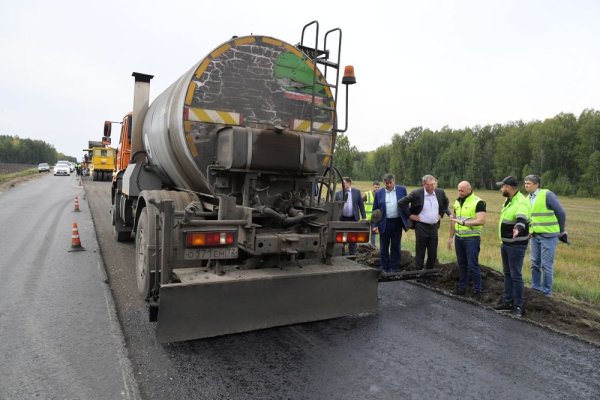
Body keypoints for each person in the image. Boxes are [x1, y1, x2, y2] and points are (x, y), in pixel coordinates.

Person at [524, 174, 567, 296]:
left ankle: (547, 293)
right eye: (525, 183)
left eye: (529, 183)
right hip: (534, 236)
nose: (526, 185)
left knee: (546, 266)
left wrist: (562, 230)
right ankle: (535, 289)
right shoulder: (527, 199)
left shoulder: (547, 194)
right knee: (534, 264)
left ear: (536, 184)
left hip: (548, 236)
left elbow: (561, 212)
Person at [495, 176, 531, 317]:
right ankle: (508, 302)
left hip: (516, 245)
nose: (501, 189)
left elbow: (522, 219)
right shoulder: (508, 200)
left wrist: (518, 227)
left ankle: (518, 307)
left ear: (509, 187)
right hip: (506, 243)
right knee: (508, 274)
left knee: (515, 275)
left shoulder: (521, 202)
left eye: (502, 186)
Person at [398, 175, 449, 273]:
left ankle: (428, 274)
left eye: (434, 184)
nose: (433, 187)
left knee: (433, 253)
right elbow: (401, 203)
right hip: (421, 227)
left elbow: (446, 203)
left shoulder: (440, 192)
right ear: (424, 184)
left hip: (434, 227)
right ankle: (418, 273)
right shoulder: (416, 193)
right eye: (431, 185)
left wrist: (441, 214)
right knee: (420, 252)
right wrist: (410, 215)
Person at [448, 181, 486, 298]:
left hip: (471, 239)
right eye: (458, 190)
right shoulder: (457, 201)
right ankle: (462, 287)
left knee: (473, 265)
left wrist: (464, 223)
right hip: (459, 238)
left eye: (462, 190)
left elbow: (481, 220)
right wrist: (451, 237)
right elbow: (454, 220)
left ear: (470, 189)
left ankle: (477, 291)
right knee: (462, 264)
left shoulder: (478, 202)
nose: (460, 192)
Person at [372, 174, 408, 273]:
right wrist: (375, 225)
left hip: (397, 222)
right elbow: (375, 210)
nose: (388, 185)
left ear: (394, 181)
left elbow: (406, 206)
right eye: (386, 183)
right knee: (384, 246)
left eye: (390, 183)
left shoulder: (402, 190)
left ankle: (394, 268)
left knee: (396, 246)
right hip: (384, 223)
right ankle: (384, 268)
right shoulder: (379, 193)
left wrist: (408, 219)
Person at [334, 177, 366, 255]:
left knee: (353, 237)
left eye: (344, 183)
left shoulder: (357, 192)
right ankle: (342, 254)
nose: (343, 185)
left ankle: (352, 254)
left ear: (349, 183)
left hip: (353, 219)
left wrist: (364, 217)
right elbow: (335, 207)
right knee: (342, 237)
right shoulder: (338, 194)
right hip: (342, 219)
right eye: (342, 183)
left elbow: (361, 205)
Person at [363, 181, 380, 246]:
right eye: (376, 187)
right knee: (365, 233)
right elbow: (361, 203)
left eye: (378, 187)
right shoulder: (367, 194)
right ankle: (364, 246)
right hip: (367, 218)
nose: (377, 189)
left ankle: (373, 246)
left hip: (375, 219)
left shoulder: (380, 195)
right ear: (373, 186)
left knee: (373, 233)